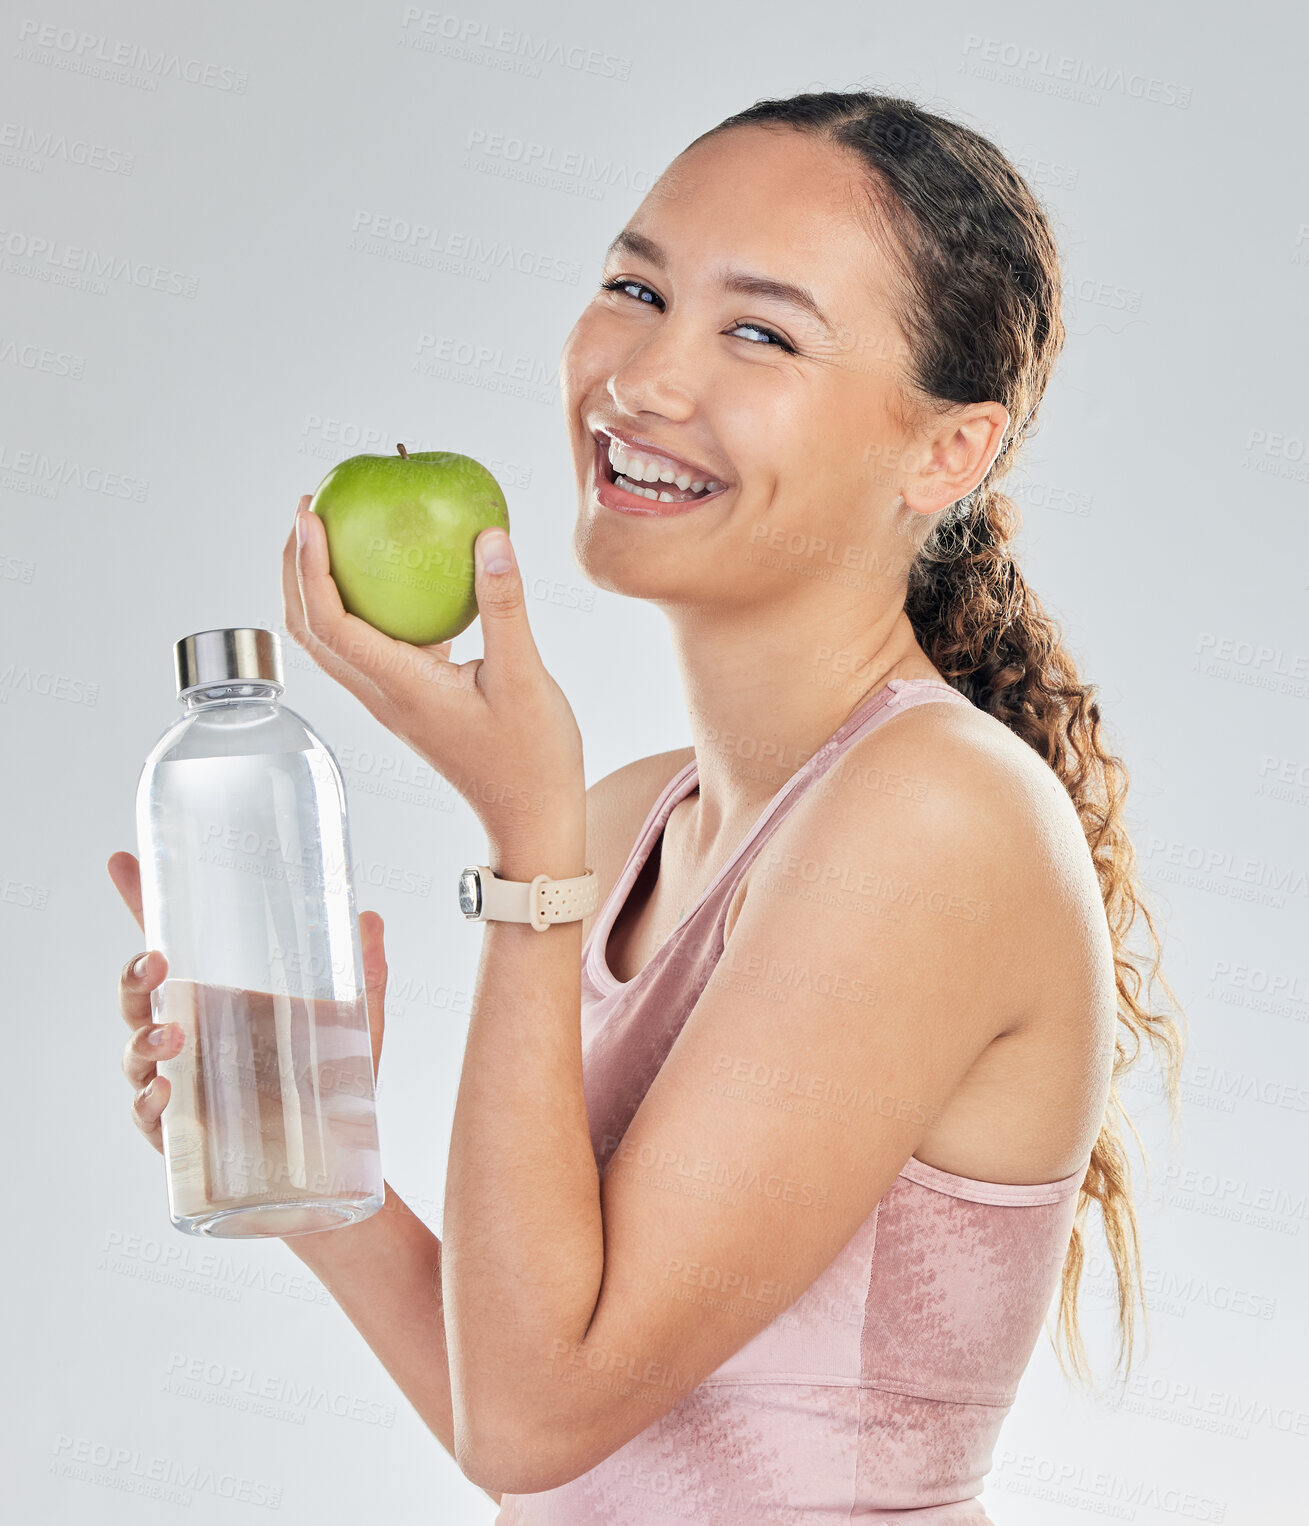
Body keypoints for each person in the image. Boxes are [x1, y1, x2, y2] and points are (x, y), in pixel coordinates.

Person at [109, 89, 1187, 1523]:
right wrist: (311, 1165)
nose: (644, 377)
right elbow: (534, 1410)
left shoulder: (940, 815)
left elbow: (531, 1421)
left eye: (759, 331)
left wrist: (523, 849)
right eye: (635, 287)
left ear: (947, 452)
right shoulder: (629, 822)